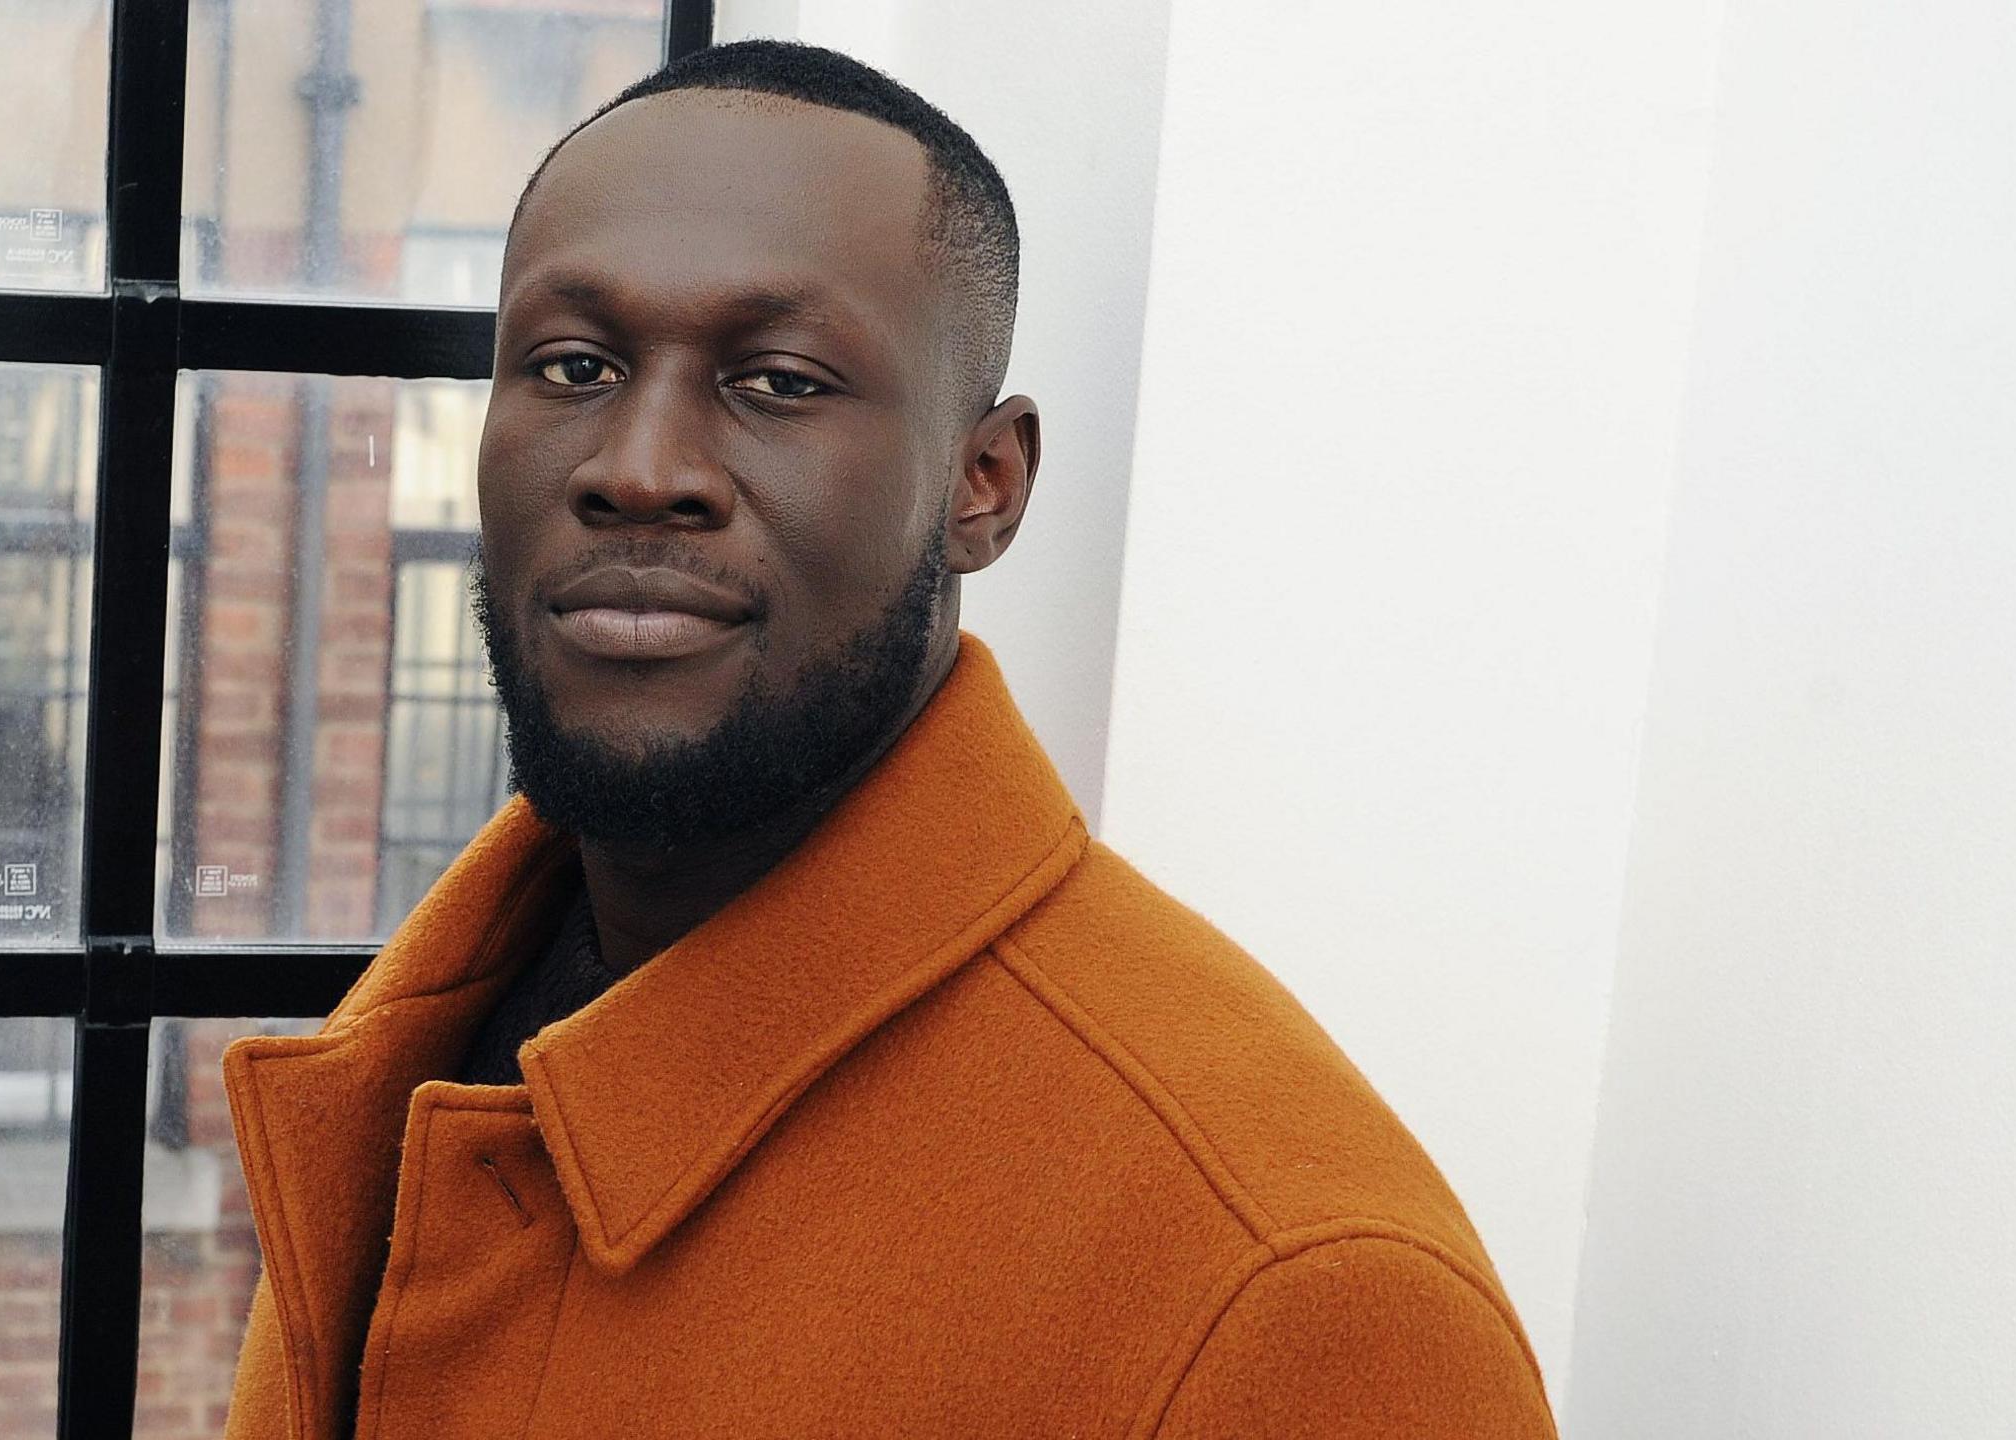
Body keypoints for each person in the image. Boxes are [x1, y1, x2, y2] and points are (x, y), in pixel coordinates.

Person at [219, 38, 1558, 1439]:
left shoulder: (1292, 1286)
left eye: (780, 382)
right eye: (571, 364)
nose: (638, 469)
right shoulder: (405, 1055)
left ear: (984, 484)